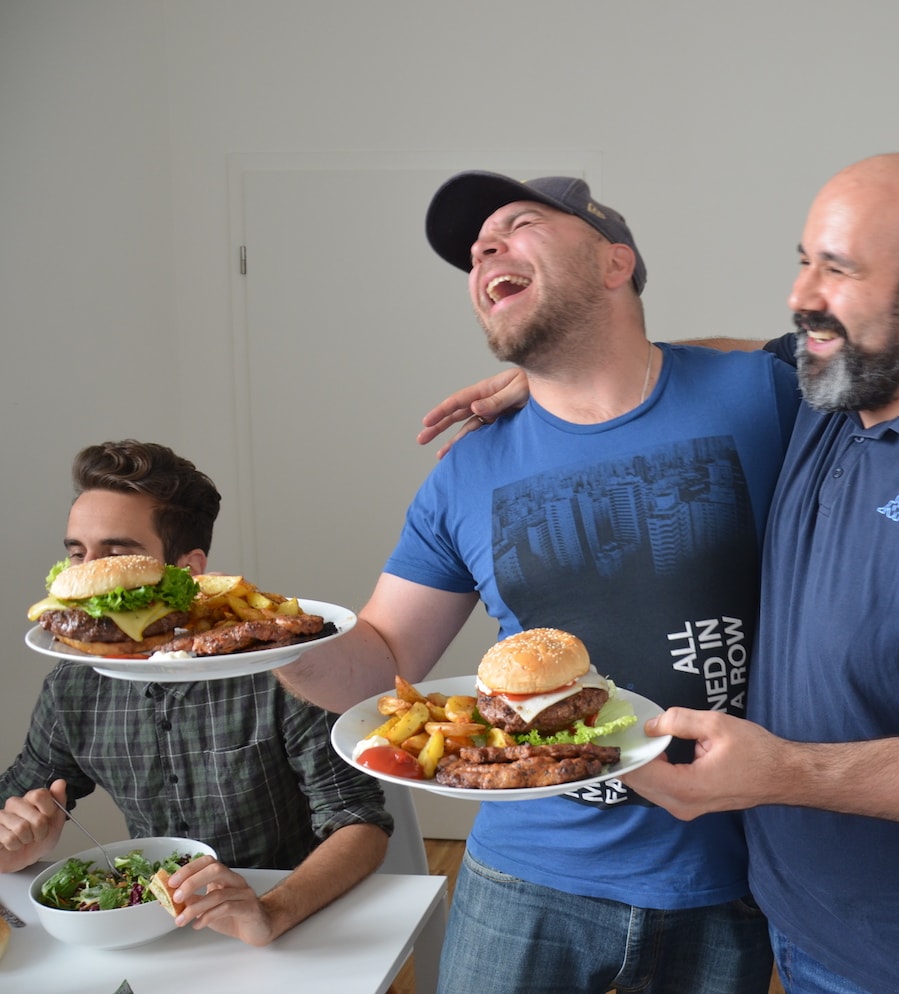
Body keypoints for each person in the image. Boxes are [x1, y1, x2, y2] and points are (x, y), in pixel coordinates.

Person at [424, 152, 899, 994]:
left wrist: (782, 772)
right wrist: (552, 368)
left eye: (837, 269)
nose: (803, 295)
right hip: (807, 934)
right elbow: (733, 353)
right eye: (803, 261)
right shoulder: (836, 402)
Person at [277, 172, 799, 994]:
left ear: (614, 263)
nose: (485, 249)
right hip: (527, 878)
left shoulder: (756, 397)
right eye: (477, 251)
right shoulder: (465, 473)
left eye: (517, 226)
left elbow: (839, 351)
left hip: (729, 878)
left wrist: (645, 357)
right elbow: (381, 663)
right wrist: (267, 640)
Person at [0, 440, 393, 947]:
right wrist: (15, 840)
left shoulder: (283, 668)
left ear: (187, 572)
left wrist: (270, 912)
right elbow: (16, 796)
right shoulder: (73, 682)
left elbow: (359, 824)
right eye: (77, 554)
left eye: (116, 553)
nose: (83, 577)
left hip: (290, 917)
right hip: (155, 925)